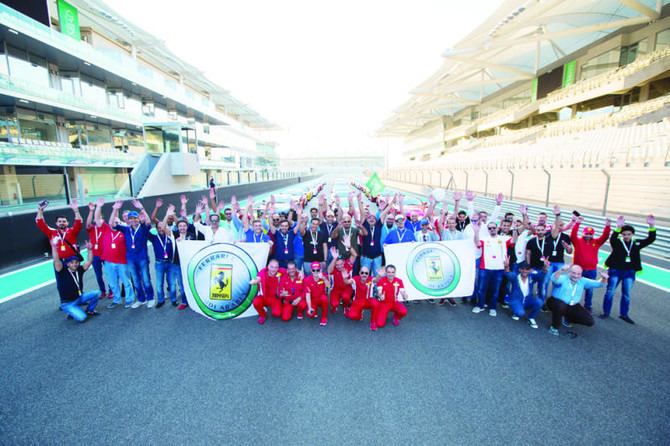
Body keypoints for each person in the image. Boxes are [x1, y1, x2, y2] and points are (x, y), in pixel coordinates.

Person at [601, 215, 656, 324]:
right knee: (610, 291)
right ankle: (606, 312)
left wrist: (651, 226)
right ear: (621, 234)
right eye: (624, 234)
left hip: (630, 272)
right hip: (615, 270)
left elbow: (651, 239)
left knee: (626, 294)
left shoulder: (636, 243)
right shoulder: (617, 243)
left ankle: (624, 314)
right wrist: (618, 227)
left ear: (632, 234)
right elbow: (612, 239)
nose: (626, 236)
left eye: (629, 234)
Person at [110, 200, 155, 308]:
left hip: (142, 258)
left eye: (135, 218)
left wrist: (142, 208)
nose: (133, 220)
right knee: (136, 280)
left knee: (146, 279)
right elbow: (112, 223)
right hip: (130, 258)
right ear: (128, 220)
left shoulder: (143, 228)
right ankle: (141, 299)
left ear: (138, 219)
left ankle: (150, 298)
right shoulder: (126, 229)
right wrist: (115, 209)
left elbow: (148, 222)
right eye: (130, 218)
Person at [94, 199, 135, 309]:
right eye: (113, 222)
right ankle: (117, 299)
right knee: (112, 283)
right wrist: (99, 207)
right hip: (108, 262)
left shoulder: (125, 230)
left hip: (122, 262)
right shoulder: (106, 229)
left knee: (126, 282)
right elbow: (97, 220)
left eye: (117, 222)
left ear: (120, 223)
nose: (114, 224)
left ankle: (129, 299)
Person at [471, 219, 517, 316]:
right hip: (485, 268)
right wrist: (476, 232)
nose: (492, 229)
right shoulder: (484, 238)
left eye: (494, 228)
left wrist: (515, 228)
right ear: (488, 229)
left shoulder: (504, 238)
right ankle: (480, 305)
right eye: (490, 228)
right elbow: (477, 243)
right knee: (481, 288)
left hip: (499, 269)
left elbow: (514, 240)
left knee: (495, 290)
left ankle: (492, 307)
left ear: (497, 228)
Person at [547, 264, 608, 336]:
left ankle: (568, 318)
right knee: (560, 306)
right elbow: (554, 278)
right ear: (569, 272)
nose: (576, 276)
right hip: (555, 302)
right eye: (574, 273)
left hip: (572, 305)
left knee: (589, 321)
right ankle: (554, 327)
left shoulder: (582, 281)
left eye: (579, 274)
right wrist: (561, 270)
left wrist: (604, 278)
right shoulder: (563, 278)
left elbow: (599, 284)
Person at [51, 237, 100, 322]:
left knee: (97, 293)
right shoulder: (61, 271)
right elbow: (56, 260)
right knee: (82, 318)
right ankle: (71, 311)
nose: (74, 264)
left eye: (76, 262)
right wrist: (54, 246)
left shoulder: (79, 270)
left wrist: (90, 250)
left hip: (79, 297)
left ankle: (89, 310)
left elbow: (89, 261)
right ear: (68, 264)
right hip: (68, 303)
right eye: (72, 263)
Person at [570, 215, 612, 312]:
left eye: (590, 234)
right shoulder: (578, 241)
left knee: (590, 290)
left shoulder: (596, 242)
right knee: (574, 286)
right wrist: (577, 223)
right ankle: (571, 303)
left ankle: (588, 306)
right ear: (583, 233)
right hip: (578, 270)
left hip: (591, 270)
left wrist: (608, 226)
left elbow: (605, 237)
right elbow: (572, 235)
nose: (588, 236)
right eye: (586, 234)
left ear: (593, 235)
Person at [147, 205, 178, 308]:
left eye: (162, 228)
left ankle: (174, 299)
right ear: (156, 229)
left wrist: (169, 215)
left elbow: (165, 226)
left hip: (170, 263)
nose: (161, 229)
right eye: (159, 228)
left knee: (172, 283)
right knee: (159, 283)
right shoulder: (154, 238)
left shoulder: (170, 235)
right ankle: (160, 300)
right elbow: (145, 230)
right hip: (159, 263)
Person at [503, 259, 547, 329]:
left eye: (527, 269)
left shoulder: (532, 277)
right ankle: (515, 311)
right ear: (519, 269)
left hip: (527, 300)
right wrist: (506, 266)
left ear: (529, 270)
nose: (524, 271)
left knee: (539, 302)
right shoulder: (515, 277)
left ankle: (531, 317)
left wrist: (545, 267)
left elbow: (541, 275)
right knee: (520, 313)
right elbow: (508, 274)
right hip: (516, 300)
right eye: (522, 269)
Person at [85, 200, 110, 299]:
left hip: (105, 254)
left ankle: (111, 290)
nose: (97, 220)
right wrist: (91, 211)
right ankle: (102, 290)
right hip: (95, 255)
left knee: (109, 273)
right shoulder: (92, 228)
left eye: (99, 218)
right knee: (98, 274)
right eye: (96, 219)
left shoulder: (105, 228)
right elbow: (87, 224)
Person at [347, 266, 383, 331]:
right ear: (359, 273)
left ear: (368, 274)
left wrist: (379, 276)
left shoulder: (371, 279)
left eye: (366, 273)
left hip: (368, 301)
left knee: (375, 303)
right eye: (362, 273)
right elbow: (347, 282)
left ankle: (373, 322)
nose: (364, 274)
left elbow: (376, 280)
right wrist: (344, 278)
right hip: (358, 301)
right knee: (352, 316)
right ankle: (359, 313)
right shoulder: (355, 278)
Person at [250, 259, 285, 324]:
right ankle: (262, 315)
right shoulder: (263, 272)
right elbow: (258, 278)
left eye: (276, 267)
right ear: (268, 266)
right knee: (256, 302)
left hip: (275, 298)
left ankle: (278, 305)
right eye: (272, 267)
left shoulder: (281, 272)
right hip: (264, 297)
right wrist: (254, 281)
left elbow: (290, 270)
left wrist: (300, 272)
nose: (274, 269)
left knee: (277, 314)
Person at [327, 247, 354, 315]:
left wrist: (349, 247)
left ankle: (346, 306)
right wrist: (334, 258)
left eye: (341, 264)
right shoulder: (333, 267)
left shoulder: (348, 264)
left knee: (346, 296)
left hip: (347, 288)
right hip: (336, 289)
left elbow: (354, 255)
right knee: (334, 304)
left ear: (344, 262)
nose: (339, 266)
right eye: (337, 265)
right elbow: (329, 270)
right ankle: (334, 306)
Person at [303, 262, 331, 326]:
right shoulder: (307, 280)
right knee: (310, 315)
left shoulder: (324, 275)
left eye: (317, 270)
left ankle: (324, 317)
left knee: (325, 298)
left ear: (320, 270)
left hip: (321, 298)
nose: (316, 272)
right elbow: (307, 295)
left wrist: (323, 278)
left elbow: (329, 286)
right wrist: (310, 308)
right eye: (313, 270)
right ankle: (315, 310)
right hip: (313, 299)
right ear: (311, 271)